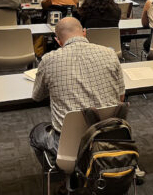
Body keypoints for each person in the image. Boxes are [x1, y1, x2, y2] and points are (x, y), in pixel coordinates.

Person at [29, 17, 125, 168]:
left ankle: (63, 173)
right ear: (84, 33)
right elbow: (121, 98)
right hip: (109, 137)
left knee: (37, 133)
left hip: (71, 146)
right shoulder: (110, 53)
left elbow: (37, 96)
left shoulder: (48, 60)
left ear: (58, 41)